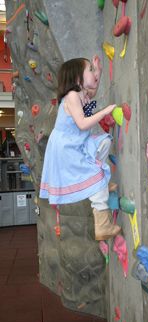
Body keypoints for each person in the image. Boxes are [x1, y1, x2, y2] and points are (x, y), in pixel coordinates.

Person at [39, 56, 121, 241]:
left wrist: (98, 72)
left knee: (103, 142)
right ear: (78, 79)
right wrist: (105, 112)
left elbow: (93, 89)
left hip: (77, 143)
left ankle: (99, 183)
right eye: (90, 70)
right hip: (67, 148)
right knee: (94, 176)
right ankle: (102, 225)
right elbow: (83, 123)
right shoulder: (72, 96)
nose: (93, 73)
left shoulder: (82, 94)